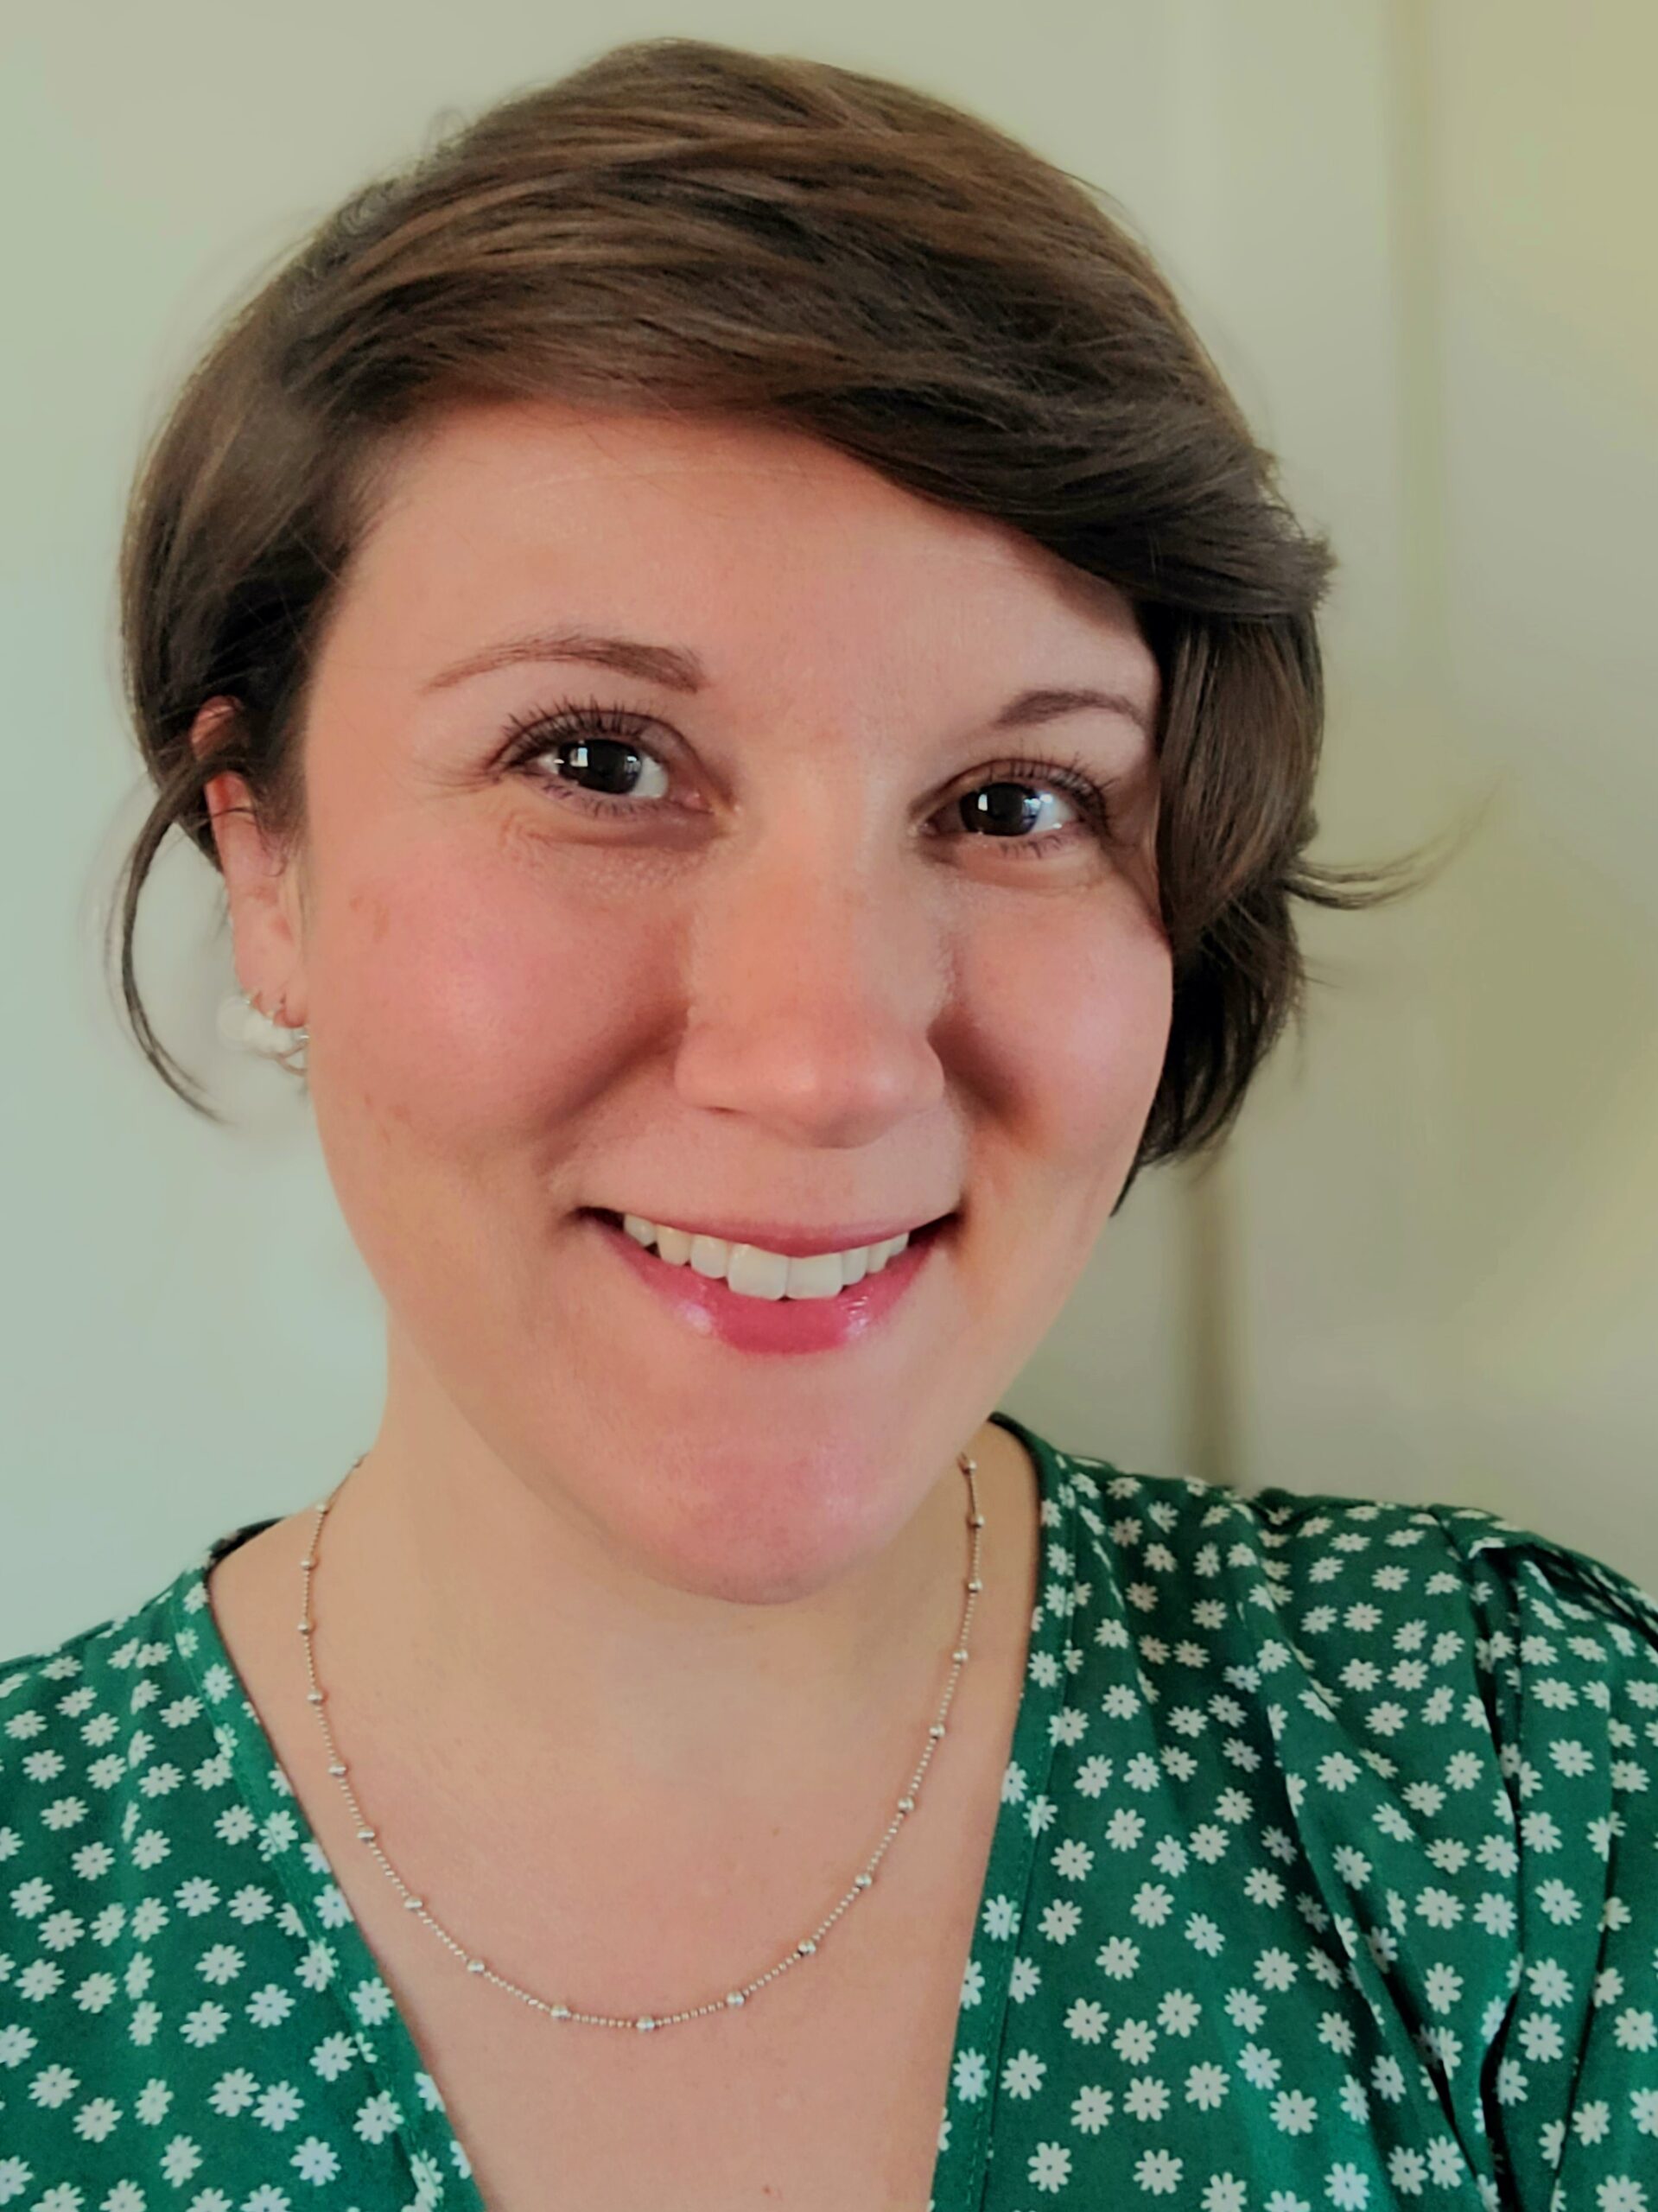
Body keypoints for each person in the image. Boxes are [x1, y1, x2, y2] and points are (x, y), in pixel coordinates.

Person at [3, 35, 1654, 2212]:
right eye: (597, 760)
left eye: (1014, 801)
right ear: (269, 860)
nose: (828, 1059)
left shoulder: (1519, 1801)